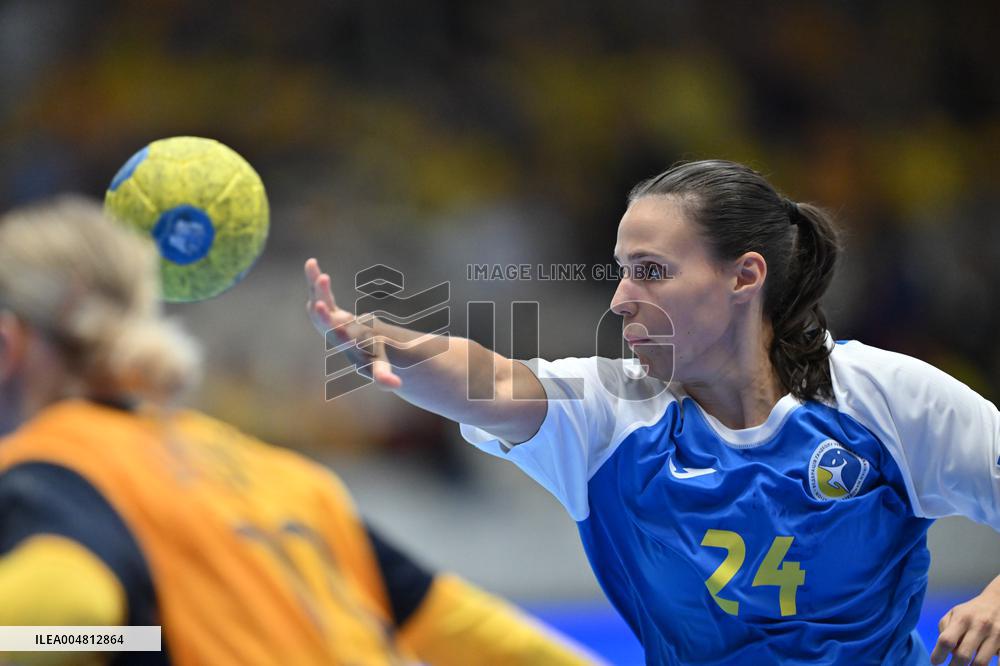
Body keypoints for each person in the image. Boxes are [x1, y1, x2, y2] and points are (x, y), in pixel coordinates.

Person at [306, 159, 1000, 666]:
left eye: (651, 270)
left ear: (744, 276)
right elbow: (491, 380)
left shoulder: (885, 395)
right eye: (619, 269)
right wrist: (380, 341)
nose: (619, 300)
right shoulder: (610, 416)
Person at [0, 196, 600, 666]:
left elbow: (71, 610)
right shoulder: (273, 472)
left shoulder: (54, 468)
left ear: (8, 345)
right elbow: (469, 631)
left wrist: (130, 639)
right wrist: (141, 636)